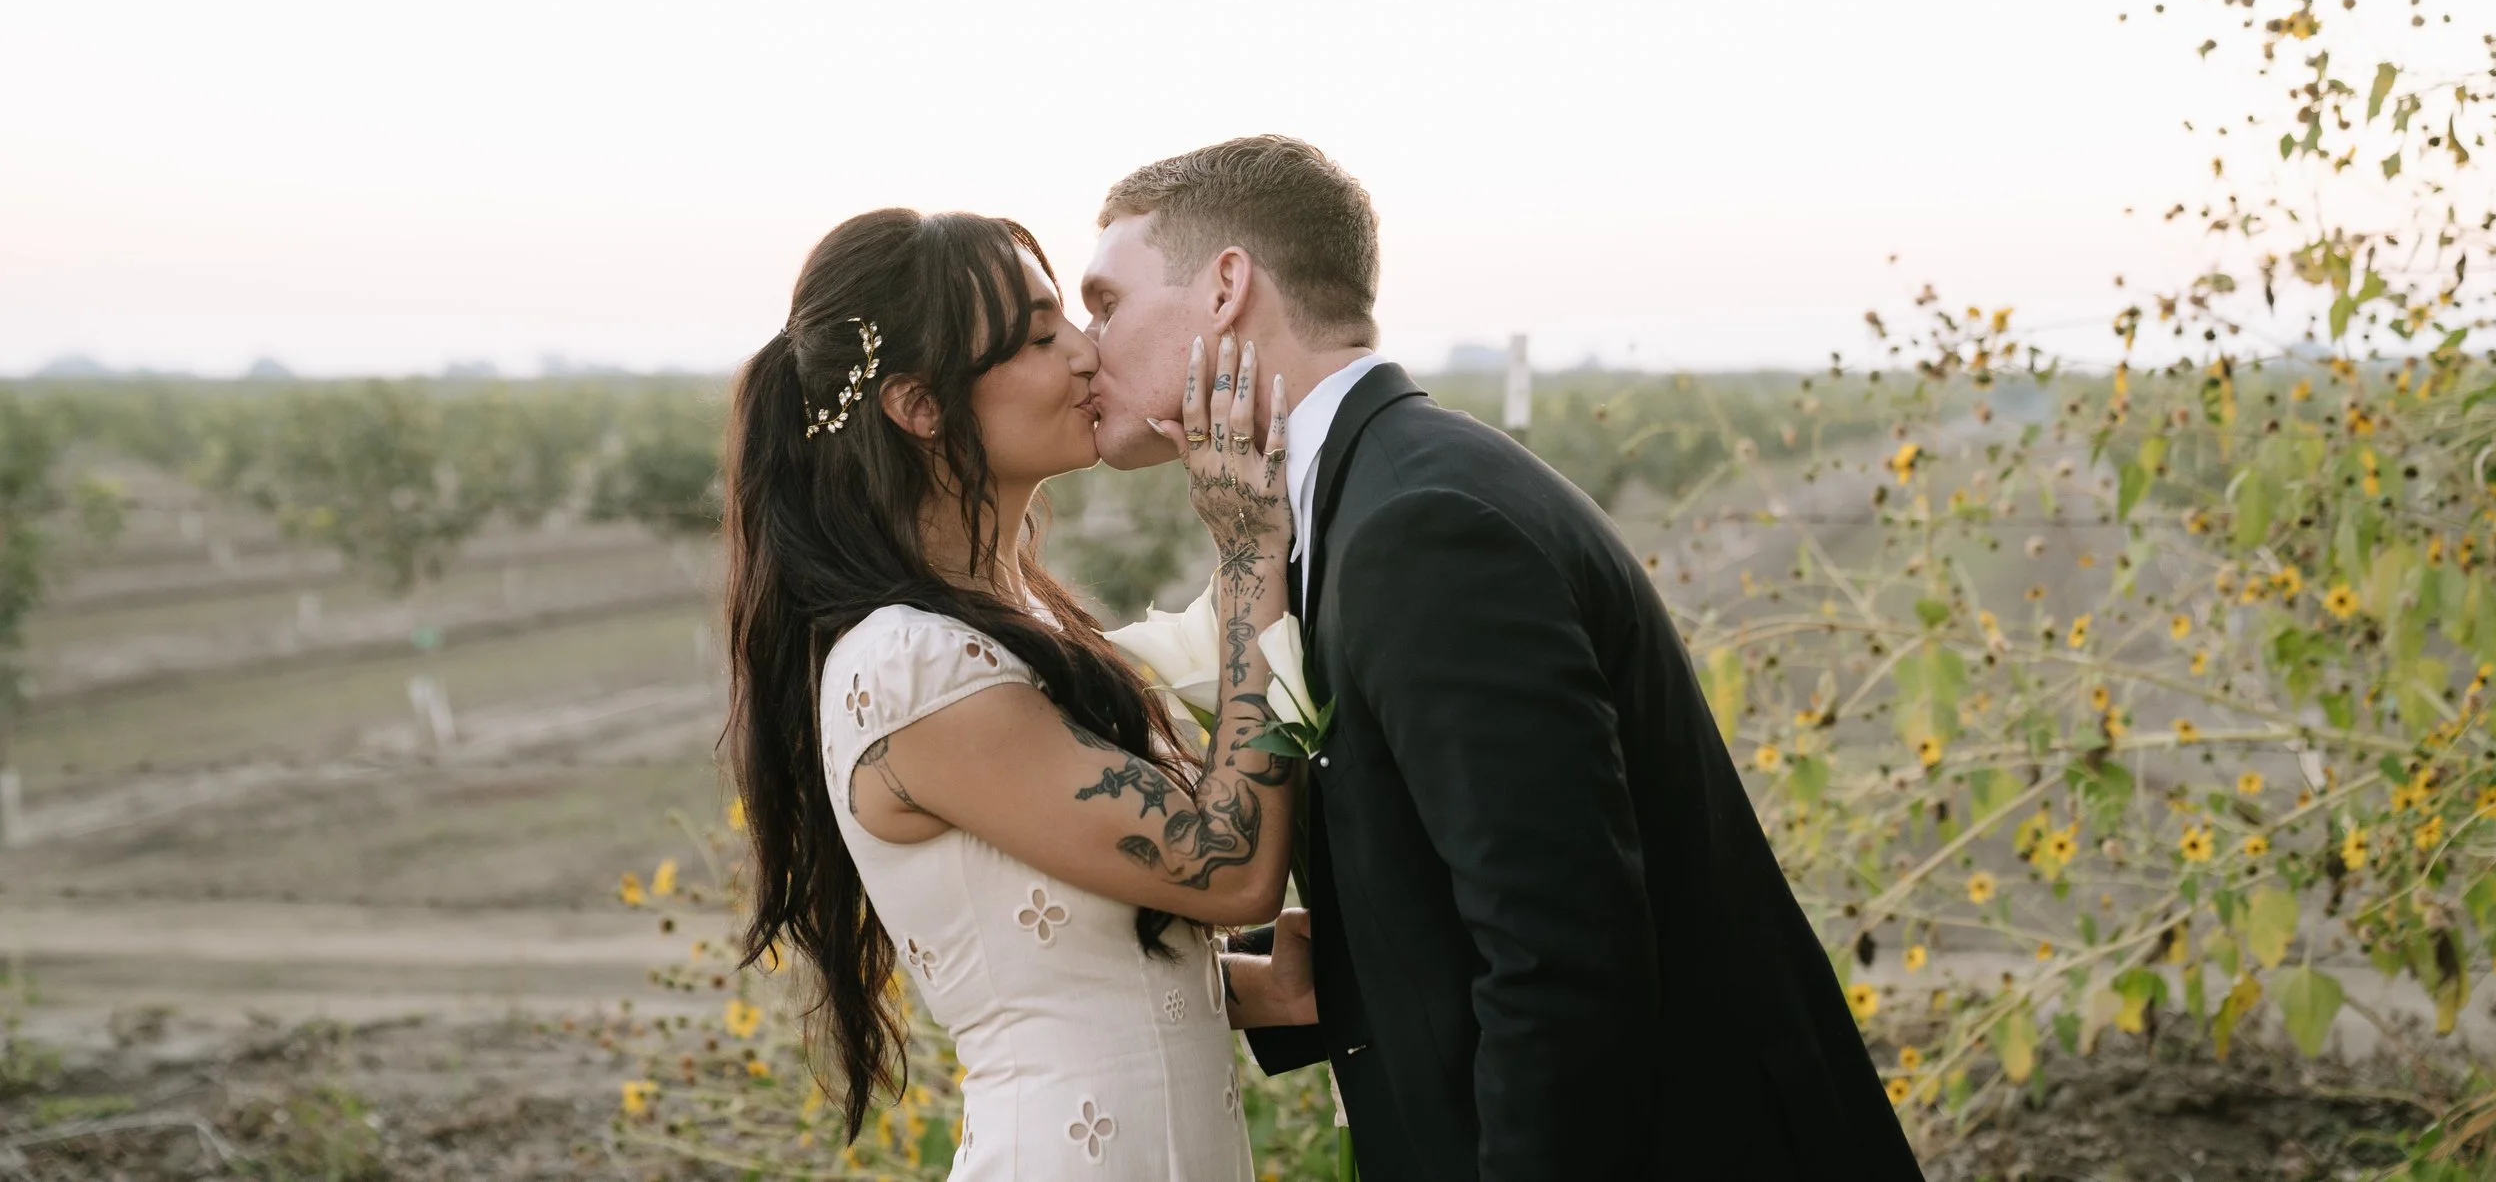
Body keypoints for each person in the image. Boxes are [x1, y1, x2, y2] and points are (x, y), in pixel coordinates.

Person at [1081, 136, 1927, 1181]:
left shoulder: (1422, 527)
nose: (1085, 346)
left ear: (1224, 287)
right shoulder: (1365, 499)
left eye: (1105, 302)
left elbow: (1560, 956)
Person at [720, 207, 1315, 1179]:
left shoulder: (1014, 614)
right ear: (918, 404)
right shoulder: (912, 665)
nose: (1089, 353)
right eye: (1041, 337)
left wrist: (1250, 983)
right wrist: (1252, 558)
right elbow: (1230, 864)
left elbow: (1059, 971)